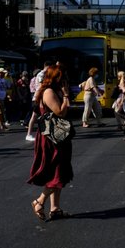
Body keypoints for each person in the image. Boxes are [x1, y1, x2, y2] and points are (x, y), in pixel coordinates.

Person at [28, 65, 74, 222]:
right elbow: (60, 112)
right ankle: (39, 201)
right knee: (58, 173)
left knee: (58, 172)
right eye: (62, 78)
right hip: (52, 139)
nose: (65, 81)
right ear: (55, 78)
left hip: (56, 136)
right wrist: (66, 96)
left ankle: (55, 209)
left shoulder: (52, 90)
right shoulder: (48, 92)